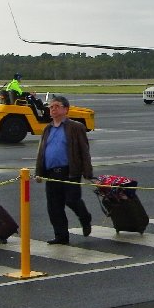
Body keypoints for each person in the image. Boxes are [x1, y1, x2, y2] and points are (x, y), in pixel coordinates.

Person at [34, 95, 93, 245]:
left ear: (66, 109)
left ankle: (85, 217)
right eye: (51, 106)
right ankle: (61, 236)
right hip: (52, 173)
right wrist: (39, 172)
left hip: (69, 171)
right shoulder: (47, 129)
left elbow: (84, 151)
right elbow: (42, 151)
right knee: (54, 207)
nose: (52, 109)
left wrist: (87, 172)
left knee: (72, 200)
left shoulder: (75, 127)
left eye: (56, 106)